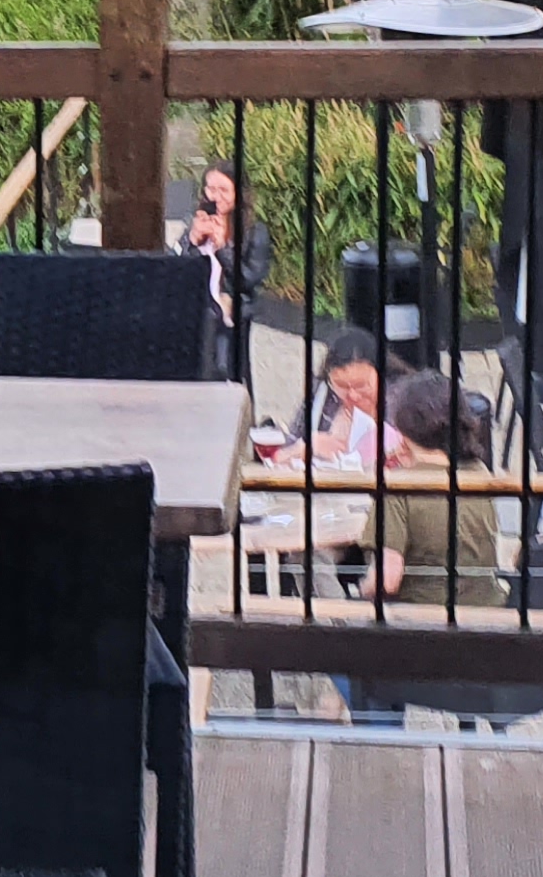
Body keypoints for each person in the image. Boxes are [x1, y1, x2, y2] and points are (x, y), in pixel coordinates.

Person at [371, 372, 506, 607]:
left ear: (402, 430)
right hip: (489, 609)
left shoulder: (398, 486)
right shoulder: (478, 471)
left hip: (424, 616)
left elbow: (387, 580)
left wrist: (362, 587)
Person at [185, 165, 272, 377]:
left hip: (231, 312)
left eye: (223, 190)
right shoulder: (197, 220)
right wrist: (191, 242)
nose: (216, 197)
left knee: (223, 365)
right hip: (197, 307)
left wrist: (223, 248)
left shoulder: (255, 231)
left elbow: (249, 278)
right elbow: (176, 266)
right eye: (211, 189)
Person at [268, 327, 385, 467]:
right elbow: (281, 455)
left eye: (361, 385)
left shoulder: (399, 403)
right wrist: (307, 447)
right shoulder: (321, 397)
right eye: (341, 385)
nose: (352, 395)